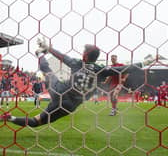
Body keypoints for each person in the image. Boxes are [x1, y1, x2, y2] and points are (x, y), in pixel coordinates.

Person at [0, 38, 143, 127]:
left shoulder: (77, 63)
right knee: (36, 122)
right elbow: (125, 68)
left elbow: (61, 56)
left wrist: (47, 47)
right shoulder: (102, 70)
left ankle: (39, 53)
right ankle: (10, 118)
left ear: (85, 55)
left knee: (48, 70)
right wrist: (145, 62)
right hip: (70, 106)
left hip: (59, 93)